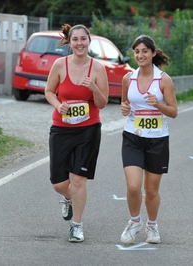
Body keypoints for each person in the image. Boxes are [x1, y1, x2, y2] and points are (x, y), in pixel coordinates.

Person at [44, 24, 109, 243]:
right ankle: (69, 198)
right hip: (61, 129)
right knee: (59, 183)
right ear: (70, 42)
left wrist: (94, 88)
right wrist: (57, 104)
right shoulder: (59, 64)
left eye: (83, 39)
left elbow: (102, 103)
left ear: (89, 41)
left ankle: (77, 225)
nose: (79, 43)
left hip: (88, 129)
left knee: (78, 179)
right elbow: (49, 91)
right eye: (75, 40)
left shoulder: (98, 68)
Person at [119, 35, 178, 244]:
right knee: (134, 187)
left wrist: (158, 105)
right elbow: (125, 106)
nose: (140, 55)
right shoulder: (128, 78)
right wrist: (124, 108)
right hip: (133, 138)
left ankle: (152, 225)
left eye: (144, 51)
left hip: (158, 140)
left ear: (153, 53)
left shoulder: (163, 79)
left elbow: (173, 112)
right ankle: (134, 222)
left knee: (151, 190)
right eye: (137, 52)